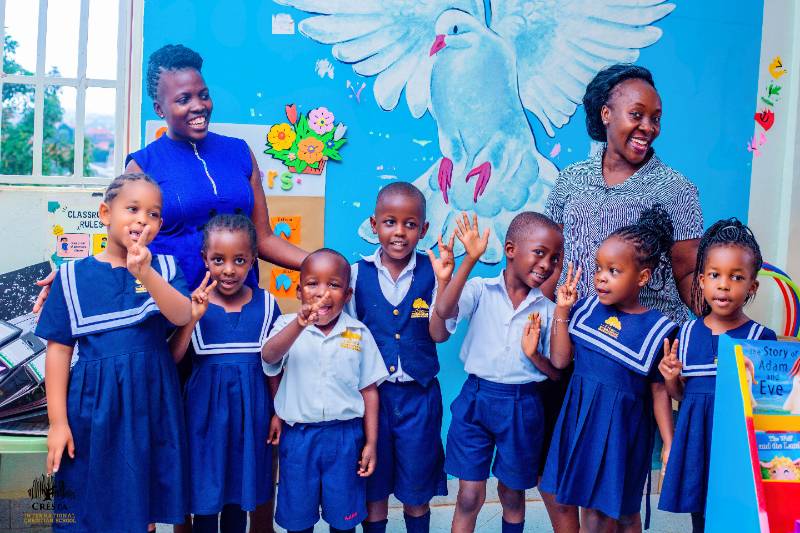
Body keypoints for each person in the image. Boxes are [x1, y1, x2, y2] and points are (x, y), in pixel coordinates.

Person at [37, 173, 192, 531]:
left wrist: (145, 272)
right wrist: (58, 423)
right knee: (90, 499)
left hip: (150, 405)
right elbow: (58, 352)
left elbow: (182, 315)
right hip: (95, 407)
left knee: (142, 502)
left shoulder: (165, 268)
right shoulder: (71, 278)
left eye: (153, 214)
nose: (142, 220)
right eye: (132, 209)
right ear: (106, 213)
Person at [540, 205, 678, 533]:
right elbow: (560, 360)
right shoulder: (586, 309)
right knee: (590, 507)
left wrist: (669, 442)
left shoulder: (658, 328)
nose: (601, 277)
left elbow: (659, 390)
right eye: (599, 268)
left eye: (614, 271)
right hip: (580, 423)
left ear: (642, 277)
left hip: (622, 431)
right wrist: (562, 311)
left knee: (623, 510)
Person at [430, 212, 563, 533]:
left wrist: (534, 355)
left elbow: (557, 372)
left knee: (513, 494)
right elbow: (444, 311)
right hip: (476, 400)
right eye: (540, 253)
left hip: (523, 405)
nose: (546, 264)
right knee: (468, 496)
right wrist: (469, 260)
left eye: (554, 258)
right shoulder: (480, 289)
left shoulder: (548, 310)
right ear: (510, 249)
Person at [543, 64, 702, 323]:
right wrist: (535, 318)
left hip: (647, 338)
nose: (648, 127)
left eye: (655, 118)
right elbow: (553, 261)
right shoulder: (570, 179)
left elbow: (686, 273)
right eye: (636, 115)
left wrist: (725, 319)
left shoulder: (676, 189)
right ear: (606, 114)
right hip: (575, 332)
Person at [658, 219, 777, 533]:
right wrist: (671, 378)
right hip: (698, 443)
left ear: (752, 287)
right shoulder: (686, 333)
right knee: (701, 516)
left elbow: (768, 404)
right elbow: (683, 395)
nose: (724, 285)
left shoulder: (761, 338)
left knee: (737, 516)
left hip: (738, 448)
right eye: (715, 275)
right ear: (701, 280)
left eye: (736, 277)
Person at [169, 214, 283, 533]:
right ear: (205, 258)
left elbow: (274, 367)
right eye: (219, 260)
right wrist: (191, 318)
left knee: (239, 498)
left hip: (251, 423)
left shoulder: (267, 305)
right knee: (206, 498)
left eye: (239, 260)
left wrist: (278, 412)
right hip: (204, 424)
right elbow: (173, 358)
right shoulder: (192, 304)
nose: (229, 269)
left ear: (253, 259)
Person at [261, 249, 388, 533]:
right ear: (299, 292)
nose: (322, 293)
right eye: (312, 284)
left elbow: (369, 391)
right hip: (299, 438)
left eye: (333, 285)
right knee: (299, 520)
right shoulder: (285, 326)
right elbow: (269, 357)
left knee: (343, 520)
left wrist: (371, 442)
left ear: (347, 295)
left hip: (345, 438)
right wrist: (299, 324)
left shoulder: (358, 333)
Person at [348, 182, 450, 533]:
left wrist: (445, 284)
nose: (399, 232)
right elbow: (348, 337)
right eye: (390, 222)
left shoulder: (434, 273)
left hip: (420, 397)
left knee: (416, 489)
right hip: (371, 399)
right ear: (374, 225)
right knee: (373, 488)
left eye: (410, 224)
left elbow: (440, 334)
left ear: (423, 229)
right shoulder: (355, 274)